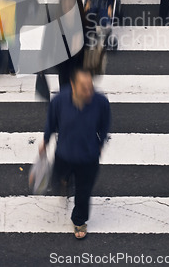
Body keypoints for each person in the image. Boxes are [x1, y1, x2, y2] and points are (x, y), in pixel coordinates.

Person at [39, 67, 111, 239]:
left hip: (88, 157)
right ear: (72, 85)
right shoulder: (60, 101)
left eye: (90, 86)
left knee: (83, 191)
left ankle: (79, 220)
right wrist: (46, 140)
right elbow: (51, 121)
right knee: (59, 178)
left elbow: (105, 124)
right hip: (64, 153)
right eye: (83, 87)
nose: (88, 91)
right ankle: (64, 181)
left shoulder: (100, 102)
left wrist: (100, 143)